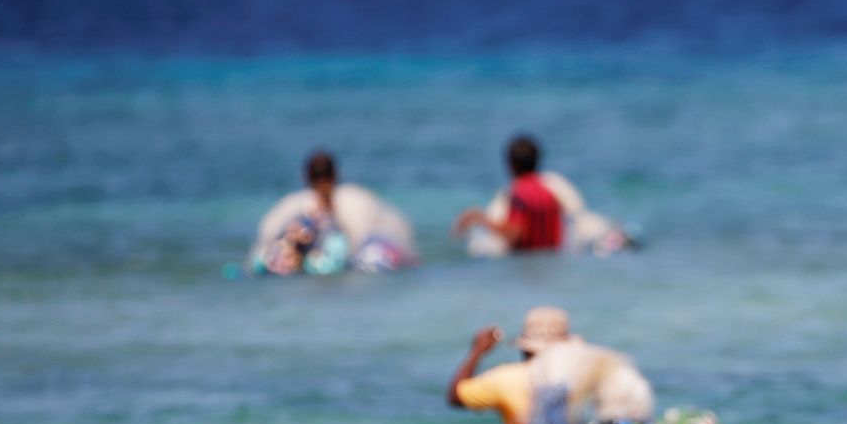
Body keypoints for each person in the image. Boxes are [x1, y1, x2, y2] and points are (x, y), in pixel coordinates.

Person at [446, 306, 658, 424]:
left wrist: (477, 350)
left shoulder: (506, 378)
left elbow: (455, 397)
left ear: (525, 348)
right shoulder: (585, 372)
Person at [451, 134, 632, 256]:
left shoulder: (519, 193)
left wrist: (480, 219)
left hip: (528, 264)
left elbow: (515, 233)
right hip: (553, 259)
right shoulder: (549, 190)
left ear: (510, 164)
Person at [248, 150, 416, 274]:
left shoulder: (290, 205)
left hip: (306, 263)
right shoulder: (358, 200)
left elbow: (265, 237)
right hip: (344, 263)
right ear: (336, 174)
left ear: (305, 177)